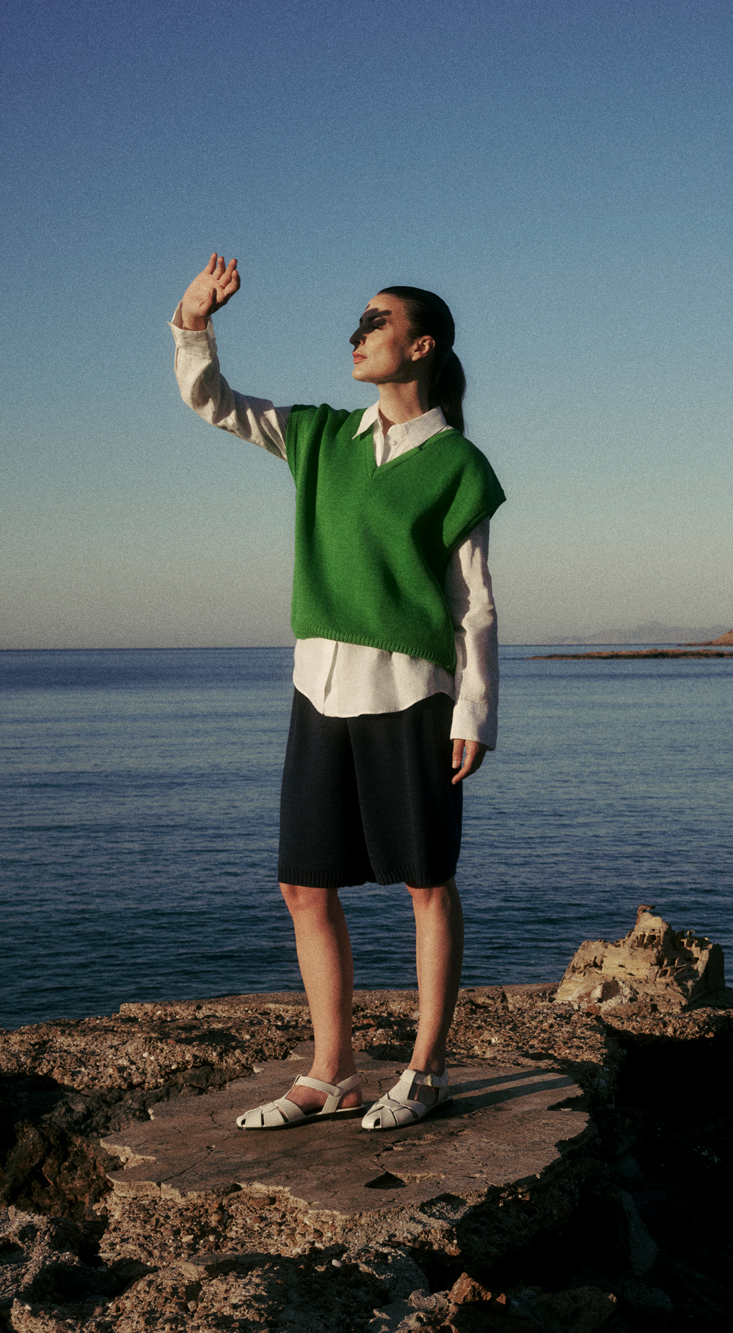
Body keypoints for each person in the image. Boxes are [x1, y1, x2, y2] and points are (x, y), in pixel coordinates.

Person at [170, 254, 505, 1132]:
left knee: (426, 885)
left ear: (420, 344)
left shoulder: (458, 464)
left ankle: (425, 1070)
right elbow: (216, 403)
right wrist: (195, 321)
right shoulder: (320, 435)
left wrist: (476, 710)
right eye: (359, 319)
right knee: (304, 885)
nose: (357, 331)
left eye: (377, 319)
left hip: (413, 695)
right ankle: (333, 1073)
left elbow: (473, 602)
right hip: (317, 686)